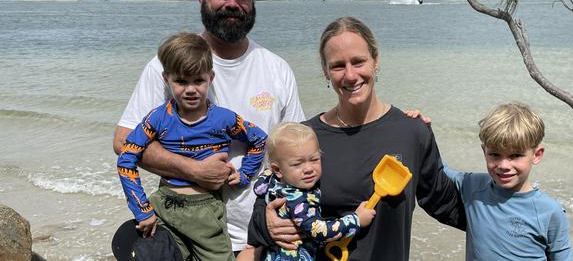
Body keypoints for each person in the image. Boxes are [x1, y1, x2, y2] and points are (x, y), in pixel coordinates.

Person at [113, 0, 305, 260]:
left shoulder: (278, 69)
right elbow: (123, 142)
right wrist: (194, 170)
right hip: (180, 230)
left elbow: (299, 153)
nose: (232, 3)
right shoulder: (168, 66)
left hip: (260, 231)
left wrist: (274, 222)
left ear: (253, 0)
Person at [248, 17, 466, 260]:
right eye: (338, 65)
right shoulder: (304, 139)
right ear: (325, 72)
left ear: (376, 60)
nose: (350, 75)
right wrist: (266, 226)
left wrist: (508, 209)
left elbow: (444, 203)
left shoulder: (411, 132)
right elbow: (263, 206)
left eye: (359, 61)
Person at [117, 32, 268, 260]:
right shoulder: (157, 118)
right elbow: (126, 157)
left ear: (211, 78)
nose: (190, 89)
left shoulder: (224, 119)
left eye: (198, 80)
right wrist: (142, 209)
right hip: (164, 206)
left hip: (205, 213)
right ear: (166, 79)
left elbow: (260, 139)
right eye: (181, 81)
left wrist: (245, 174)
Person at [443, 102, 573, 260]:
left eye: (515, 156)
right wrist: (421, 128)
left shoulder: (549, 211)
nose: (504, 165)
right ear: (484, 151)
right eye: (495, 155)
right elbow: (434, 167)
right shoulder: (472, 185)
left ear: (537, 155)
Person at [253, 122, 376, 260]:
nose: (308, 169)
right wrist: (356, 220)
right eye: (298, 164)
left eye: (314, 159)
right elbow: (319, 231)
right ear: (278, 170)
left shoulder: (270, 180)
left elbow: (258, 188)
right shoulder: (297, 200)